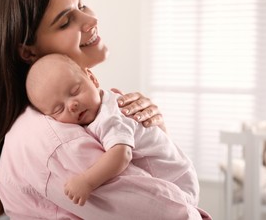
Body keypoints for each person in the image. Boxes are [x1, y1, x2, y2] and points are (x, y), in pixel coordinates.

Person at [0, 0, 211, 219]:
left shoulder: (77, 117)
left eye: (81, 4)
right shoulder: (59, 143)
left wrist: (153, 138)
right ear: (28, 51)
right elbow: (175, 214)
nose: (92, 19)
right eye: (65, 22)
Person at [26, 53, 200, 207]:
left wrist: (87, 181)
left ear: (92, 79)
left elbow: (121, 154)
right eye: (58, 109)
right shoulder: (99, 107)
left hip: (177, 180)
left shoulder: (108, 115)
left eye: (75, 91)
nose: (72, 105)